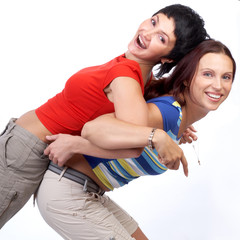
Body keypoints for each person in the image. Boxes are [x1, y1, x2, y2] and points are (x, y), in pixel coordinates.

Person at [0, 4, 209, 229]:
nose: (147, 33)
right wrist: (165, 130)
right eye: (154, 21)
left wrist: (158, 135)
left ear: (168, 58)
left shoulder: (127, 78)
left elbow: (138, 142)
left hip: (24, 154)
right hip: (19, 148)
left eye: (161, 38)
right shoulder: (135, 72)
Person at [36, 39, 236, 240]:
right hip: (67, 189)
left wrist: (170, 134)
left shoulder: (177, 118)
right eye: (208, 74)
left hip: (89, 191)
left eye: (226, 77)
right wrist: (157, 136)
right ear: (187, 78)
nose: (218, 85)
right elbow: (93, 128)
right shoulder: (168, 112)